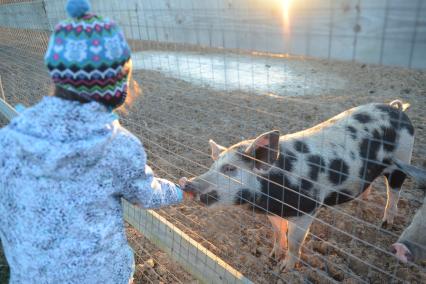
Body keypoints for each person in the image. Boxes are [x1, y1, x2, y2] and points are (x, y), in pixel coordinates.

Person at [0, 0, 190, 283]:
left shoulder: (10, 137)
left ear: (57, 76)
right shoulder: (118, 146)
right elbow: (146, 194)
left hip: (31, 274)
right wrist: (179, 191)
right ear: (118, 84)